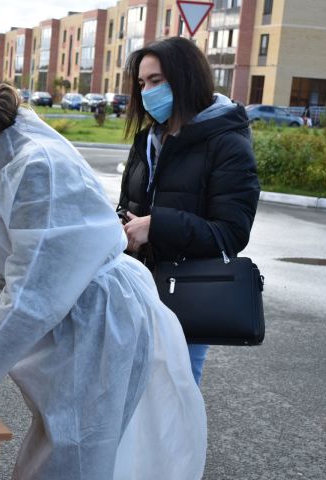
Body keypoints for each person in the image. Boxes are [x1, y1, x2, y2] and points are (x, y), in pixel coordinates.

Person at [0, 68, 207, 480]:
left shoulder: (35, 168)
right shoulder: (0, 162)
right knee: (64, 448)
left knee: (76, 456)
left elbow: (29, 298)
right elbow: (0, 281)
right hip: (75, 314)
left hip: (97, 321)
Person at [117, 37, 260, 385]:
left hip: (187, 297)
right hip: (137, 291)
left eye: (156, 81)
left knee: (175, 403)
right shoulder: (148, 140)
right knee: (132, 406)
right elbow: (129, 206)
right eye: (141, 83)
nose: (147, 91)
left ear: (186, 78)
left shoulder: (227, 143)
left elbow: (231, 234)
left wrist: (157, 227)